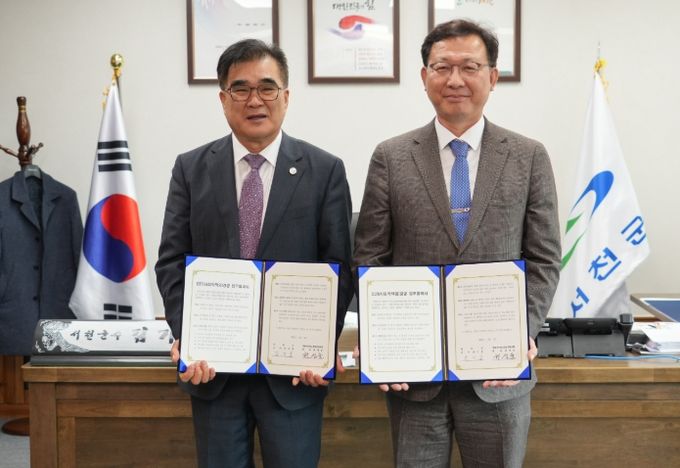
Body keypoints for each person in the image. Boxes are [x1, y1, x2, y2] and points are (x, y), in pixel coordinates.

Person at [353, 19, 561, 467]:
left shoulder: (528, 156)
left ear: (493, 76)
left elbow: (545, 258)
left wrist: (522, 331)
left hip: (498, 380)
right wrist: (377, 336)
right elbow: (370, 257)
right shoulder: (391, 156)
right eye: (442, 67)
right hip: (414, 379)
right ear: (424, 76)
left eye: (470, 66)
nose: (455, 79)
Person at [155, 39, 353, 468]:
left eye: (267, 87)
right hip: (214, 373)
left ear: (287, 96)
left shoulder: (325, 170)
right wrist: (188, 334)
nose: (255, 100)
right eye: (240, 89)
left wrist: (320, 345)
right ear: (223, 99)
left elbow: (339, 268)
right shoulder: (191, 168)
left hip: (293, 377)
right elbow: (171, 261)